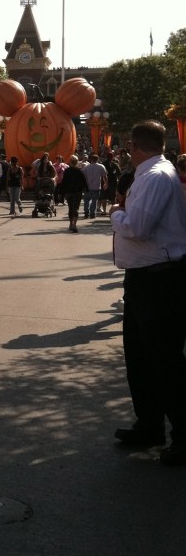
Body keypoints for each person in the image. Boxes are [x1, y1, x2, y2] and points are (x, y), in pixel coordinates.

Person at [110, 121, 186, 465]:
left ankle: (182, 435)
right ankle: (150, 424)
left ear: (134, 145)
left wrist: (116, 214)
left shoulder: (155, 176)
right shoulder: (153, 173)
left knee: (165, 362)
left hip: (158, 281)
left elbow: (137, 228)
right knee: (140, 358)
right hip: (146, 279)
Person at [60, 154, 88, 232]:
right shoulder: (79, 171)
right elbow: (84, 181)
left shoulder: (67, 171)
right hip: (78, 192)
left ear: (70, 162)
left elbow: (64, 182)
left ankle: (70, 224)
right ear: (76, 162)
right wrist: (86, 189)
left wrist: (61, 192)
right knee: (76, 208)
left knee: (70, 208)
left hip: (69, 192)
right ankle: (74, 225)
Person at [82, 152, 107, 219]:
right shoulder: (101, 166)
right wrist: (106, 183)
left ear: (91, 159)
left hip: (88, 186)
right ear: (97, 159)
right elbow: (104, 176)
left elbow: (83, 177)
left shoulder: (86, 167)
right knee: (94, 200)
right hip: (96, 186)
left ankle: (86, 212)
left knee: (86, 200)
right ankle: (92, 213)